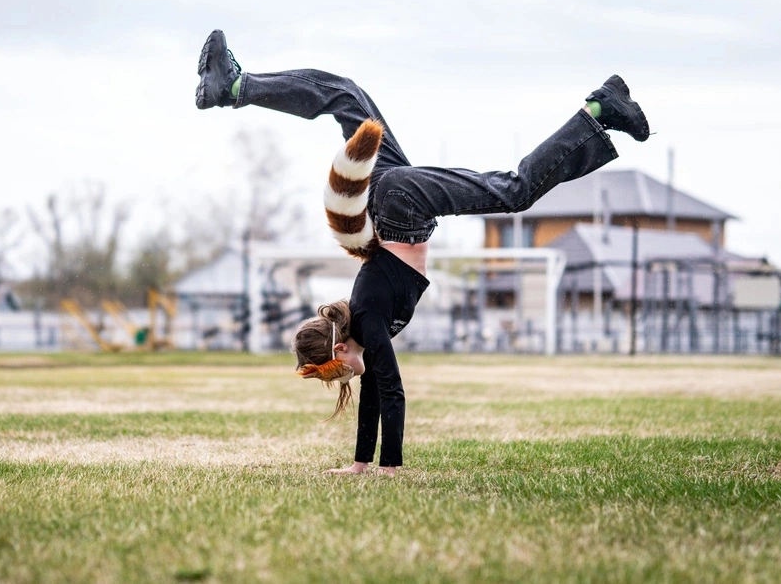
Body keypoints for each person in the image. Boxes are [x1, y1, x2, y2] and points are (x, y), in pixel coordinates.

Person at [195, 29, 650, 476]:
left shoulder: (369, 319)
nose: (350, 377)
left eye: (341, 373)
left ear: (337, 348)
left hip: (399, 204)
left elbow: (392, 392)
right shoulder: (364, 325)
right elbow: (376, 391)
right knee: (347, 96)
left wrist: (388, 468)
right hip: (389, 197)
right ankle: (236, 87)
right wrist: (359, 465)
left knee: (513, 191)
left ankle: (599, 110)